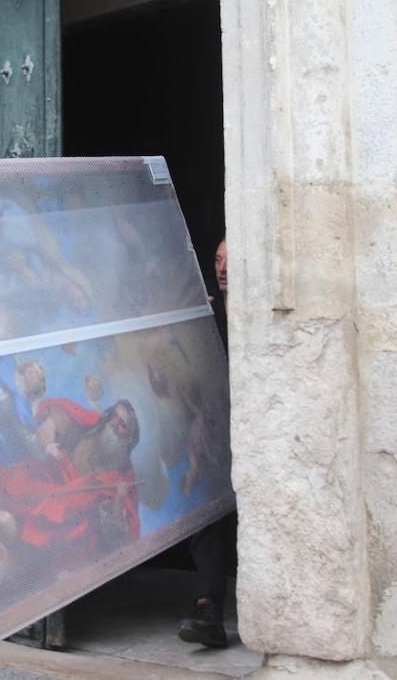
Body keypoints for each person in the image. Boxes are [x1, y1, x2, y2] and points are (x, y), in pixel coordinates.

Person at [178, 237, 237, 648]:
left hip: (255, 431)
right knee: (207, 515)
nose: (222, 267)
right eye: (217, 259)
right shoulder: (206, 314)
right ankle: (208, 610)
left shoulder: (256, 315)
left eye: (230, 260)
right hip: (214, 433)